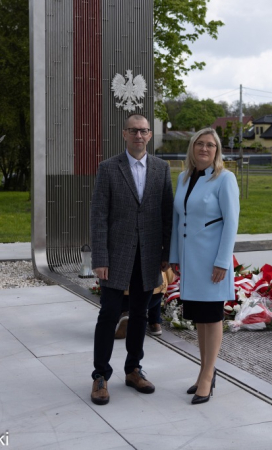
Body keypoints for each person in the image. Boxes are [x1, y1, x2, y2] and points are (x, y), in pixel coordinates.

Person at [89, 113, 173, 406]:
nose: (139, 136)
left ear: (150, 135)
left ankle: (133, 369)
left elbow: (166, 215)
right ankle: (100, 375)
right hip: (116, 256)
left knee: (141, 315)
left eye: (144, 131)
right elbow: (98, 215)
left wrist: (166, 254)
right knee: (109, 315)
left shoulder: (162, 169)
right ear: (124, 134)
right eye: (133, 131)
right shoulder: (109, 168)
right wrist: (100, 257)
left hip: (148, 256)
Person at [169, 127, 239, 405]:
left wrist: (223, 260)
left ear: (217, 151)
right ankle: (203, 371)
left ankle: (208, 376)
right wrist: (175, 256)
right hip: (190, 261)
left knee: (212, 317)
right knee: (200, 319)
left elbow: (231, 223)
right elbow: (178, 219)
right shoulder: (184, 178)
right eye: (200, 144)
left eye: (211, 145)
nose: (205, 149)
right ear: (192, 148)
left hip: (213, 262)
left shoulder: (225, 179)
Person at [114, 267, 175, 339]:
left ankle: (125, 313)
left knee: (118, 296)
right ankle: (155, 323)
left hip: (125, 296)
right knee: (157, 285)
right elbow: (170, 277)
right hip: (153, 297)